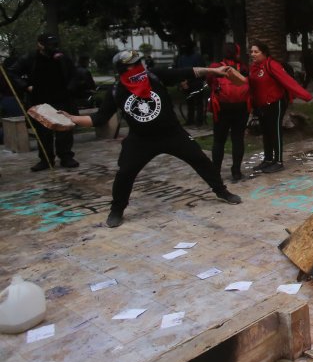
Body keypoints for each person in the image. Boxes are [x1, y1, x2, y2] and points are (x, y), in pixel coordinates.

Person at [63, 50, 242, 228]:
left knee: (200, 159)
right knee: (125, 173)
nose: (138, 68)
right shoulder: (117, 90)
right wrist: (72, 119)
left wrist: (213, 71)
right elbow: (99, 118)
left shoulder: (154, 76)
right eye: (133, 65)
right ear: (122, 68)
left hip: (172, 133)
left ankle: (222, 192)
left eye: (139, 63)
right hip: (141, 140)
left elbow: (187, 72)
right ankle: (117, 210)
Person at [8, 33, 80, 171]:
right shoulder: (29, 58)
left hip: (62, 98)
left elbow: (75, 74)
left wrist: (70, 88)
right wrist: (25, 86)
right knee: (43, 132)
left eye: (54, 45)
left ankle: (66, 156)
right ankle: (46, 159)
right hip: (40, 100)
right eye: (48, 45)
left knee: (64, 129)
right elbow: (12, 72)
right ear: (40, 44)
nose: (52, 48)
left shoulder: (63, 57)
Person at [248, 41, 312, 173]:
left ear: (264, 53)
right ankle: (267, 159)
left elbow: (287, 81)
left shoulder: (272, 65)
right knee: (266, 132)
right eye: (252, 51)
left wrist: (305, 95)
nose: (253, 54)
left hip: (275, 104)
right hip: (261, 105)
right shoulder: (254, 68)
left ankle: (278, 161)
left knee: (275, 131)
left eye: (256, 51)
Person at [208, 42, 250, 182]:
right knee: (238, 139)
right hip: (241, 108)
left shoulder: (215, 67)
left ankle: (215, 172)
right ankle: (236, 172)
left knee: (219, 141)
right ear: (237, 53)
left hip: (221, 108)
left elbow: (209, 82)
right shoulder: (243, 67)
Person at [174, 43, 206, 126]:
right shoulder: (181, 58)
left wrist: (184, 81)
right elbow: (178, 70)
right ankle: (191, 120)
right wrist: (182, 82)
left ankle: (199, 121)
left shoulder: (197, 57)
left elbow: (200, 70)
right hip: (188, 83)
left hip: (195, 82)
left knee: (198, 103)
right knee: (190, 103)